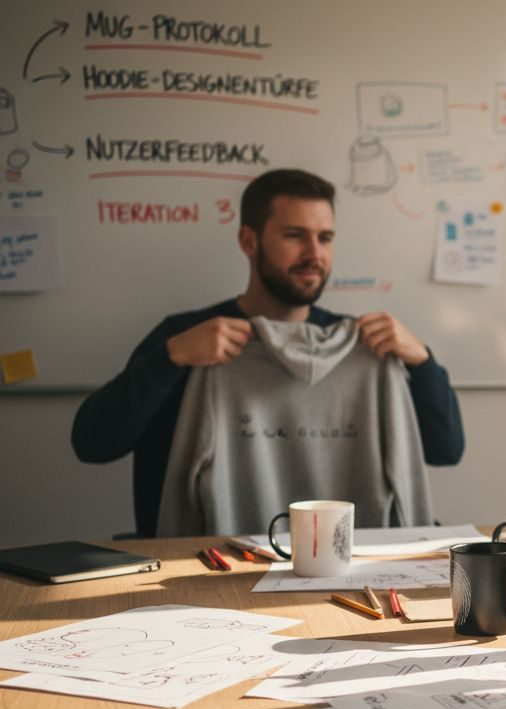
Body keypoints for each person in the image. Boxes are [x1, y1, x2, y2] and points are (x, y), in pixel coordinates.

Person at [71, 168, 465, 537]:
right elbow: (92, 444)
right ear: (249, 241)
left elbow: (446, 450)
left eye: (325, 238)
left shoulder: (361, 345)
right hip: (207, 572)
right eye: (295, 235)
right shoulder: (183, 339)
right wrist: (169, 358)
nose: (314, 254)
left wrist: (423, 362)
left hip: (345, 567)